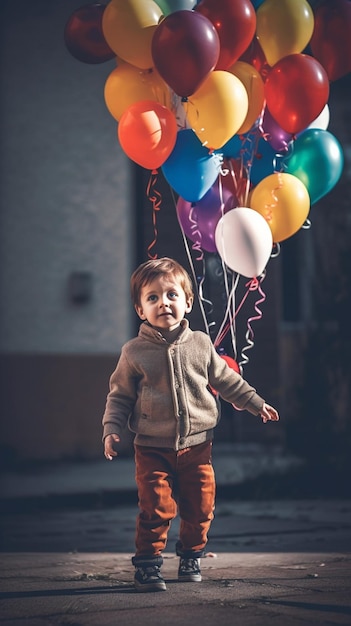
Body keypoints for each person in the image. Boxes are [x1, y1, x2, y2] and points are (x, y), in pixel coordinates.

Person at [102, 257, 279, 593]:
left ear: (187, 302)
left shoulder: (200, 344)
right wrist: (112, 428)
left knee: (201, 506)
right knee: (155, 506)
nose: (163, 303)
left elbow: (227, 380)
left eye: (171, 295)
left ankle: (191, 556)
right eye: (152, 298)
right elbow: (119, 396)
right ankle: (148, 564)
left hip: (198, 445)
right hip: (151, 447)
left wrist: (255, 403)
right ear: (140, 310)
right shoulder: (134, 352)